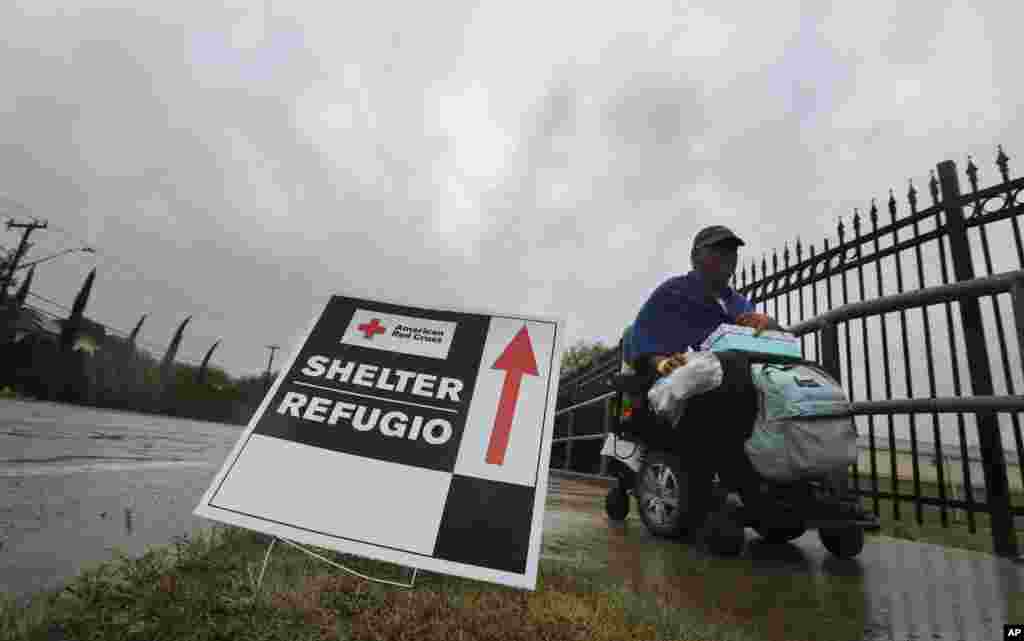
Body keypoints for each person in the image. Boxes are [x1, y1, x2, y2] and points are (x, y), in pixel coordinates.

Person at [629, 225, 784, 535]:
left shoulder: (739, 303)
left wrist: (769, 324)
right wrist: (660, 363)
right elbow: (640, 338)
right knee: (727, 380)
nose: (727, 257)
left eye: (732, 252)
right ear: (696, 256)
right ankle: (731, 482)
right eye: (718, 250)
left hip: (742, 387)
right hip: (693, 386)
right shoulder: (672, 292)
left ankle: (773, 480)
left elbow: (770, 344)